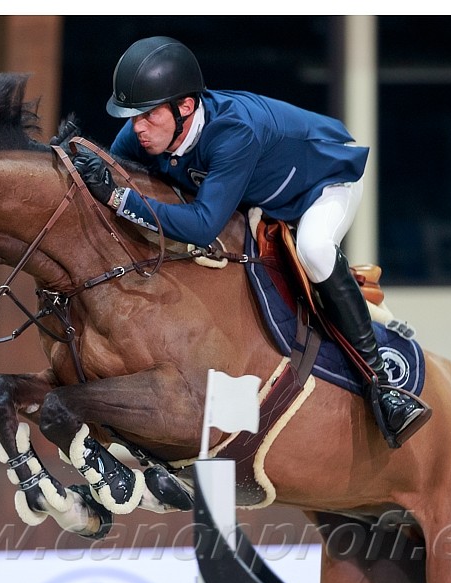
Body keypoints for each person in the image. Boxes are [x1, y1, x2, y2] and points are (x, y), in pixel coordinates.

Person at [73, 35, 428, 448]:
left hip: (324, 179)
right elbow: (122, 182)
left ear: (184, 107)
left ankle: (382, 387)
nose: (136, 128)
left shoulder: (232, 132)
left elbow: (202, 224)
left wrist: (118, 197)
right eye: (132, 116)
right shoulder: (147, 133)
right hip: (261, 194)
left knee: (313, 249)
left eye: (147, 116)